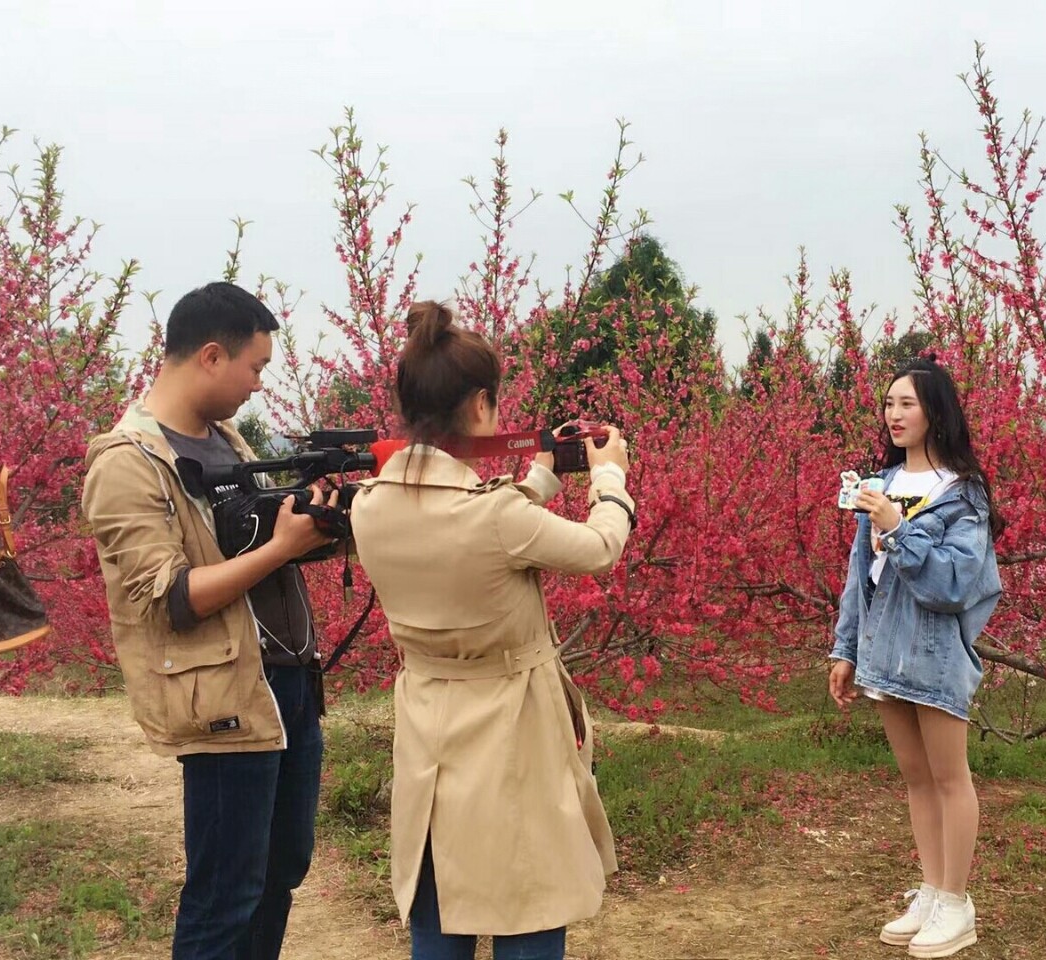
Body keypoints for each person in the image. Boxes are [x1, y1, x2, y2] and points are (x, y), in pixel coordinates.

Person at [350, 300, 635, 960]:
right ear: (480, 405)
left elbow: (470, 528)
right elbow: (599, 547)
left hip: (428, 722)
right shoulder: (498, 517)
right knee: (529, 895)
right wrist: (610, 476)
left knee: (437, 901)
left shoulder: (371, 507)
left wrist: (536, 479)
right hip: (512, 725)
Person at [82, 282, 336, 960]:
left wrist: (318, 523)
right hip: (221, 698)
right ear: (213, 356)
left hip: (286, 685)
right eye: (255, 367)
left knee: (282, 872)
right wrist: (282, 546)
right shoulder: (126, 462)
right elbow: (171, 596)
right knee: (226, 892)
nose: (259, 385)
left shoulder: (227, 441)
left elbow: (249, 544)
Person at [828, 357, 1003, 958]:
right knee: (916, 779)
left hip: (934, 654)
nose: (894, 414)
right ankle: (932, 890)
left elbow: (955, 583)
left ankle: (957, 902)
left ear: (935, 411)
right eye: (888, 403)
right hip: (883, 651)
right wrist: (845, 649)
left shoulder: (963, 494)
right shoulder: (878, 482)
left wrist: (896, 526)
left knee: (951, 778)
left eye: (907, 403)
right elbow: (860, 576)